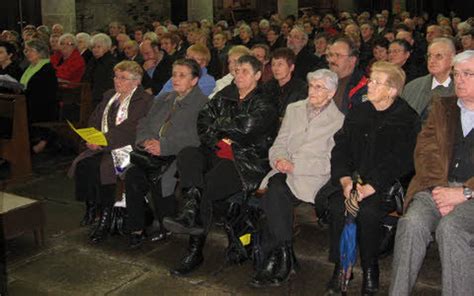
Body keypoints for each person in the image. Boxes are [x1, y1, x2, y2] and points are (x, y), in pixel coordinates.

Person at [163, 55, 279, 276]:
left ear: (257, 75)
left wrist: (220, 126)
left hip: (245, 160)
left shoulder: (266, 100)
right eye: (236, 70)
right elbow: (203, 120)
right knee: (188, 154)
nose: (238, 75)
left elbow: (247, 128)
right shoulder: (225, 95)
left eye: (244, 71)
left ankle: (194, 249)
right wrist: (219, 137)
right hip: (216, 151)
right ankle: (190, 210)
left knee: (207, 186)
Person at [326, 61, 420, 295]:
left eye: (377, 82)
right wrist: (345, 179)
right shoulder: (360, 111)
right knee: (338, 206)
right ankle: (342, 266)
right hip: (354, 181)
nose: (370, 85)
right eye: (371, 80)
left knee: (368, 212)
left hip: (385, 186)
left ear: (392, 90)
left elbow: (402, 160)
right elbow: (341, 147)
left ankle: (371, 268)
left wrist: (372, 186)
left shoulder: (406, 117)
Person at [390, 50, 474, 296]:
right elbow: (425, 151)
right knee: (411, 223)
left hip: (471, 194)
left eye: (467, 74)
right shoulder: (442, 107)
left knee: (451, 228)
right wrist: (440, 190)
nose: (459, 80)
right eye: (456, 74)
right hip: (437, 187)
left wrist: (464, 192)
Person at [251, 69, 344, 287]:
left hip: (312, 177)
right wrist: (279, 159)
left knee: (275, 191)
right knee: (275, 187)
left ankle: (278, 255)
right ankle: (285, 254)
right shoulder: (294, 109)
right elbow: (279, 142)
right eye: (311, 85)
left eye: (319, 87)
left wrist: (296, 166)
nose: (313, 90)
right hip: (283, 170)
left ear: (331, 93)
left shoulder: (339, 121)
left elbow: (331, 162)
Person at [124, 59, 208, 248]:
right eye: (174, 74)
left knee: (162, 178)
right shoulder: (164, 98)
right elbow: (144, 123)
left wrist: (165, 145)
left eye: (182, 75)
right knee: (133, 175)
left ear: (194, 81)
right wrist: (145, 141)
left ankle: (165, 223)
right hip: (151, 151)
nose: (175, 79)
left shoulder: (203, 104)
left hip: (178, 154)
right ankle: (136, 228)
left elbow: (198, 136)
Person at [70, 61, 152, 243]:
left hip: (128, 147)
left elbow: (131, 129)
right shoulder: (110, 96)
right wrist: (91, 137)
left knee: (104, 168)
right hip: (105, 144)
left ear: (136, 81)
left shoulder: (143, 101)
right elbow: (94, 119)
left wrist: (103, 141)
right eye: (116, 76)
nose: (117, 81)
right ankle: (92, 207)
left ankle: (105, 216)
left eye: (123, 78)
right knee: (84, 164)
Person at [401, 37, 456, 121]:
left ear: (453, 59)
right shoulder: (412, 87)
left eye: (438, 56)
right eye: (429, 56)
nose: (432, 61)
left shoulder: (462, 89)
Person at [20, 39, 58, 153]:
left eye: (31, 50)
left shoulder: (46, 69)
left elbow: (42, 92)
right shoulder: (30, 67)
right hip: (30, 102)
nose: (27, 53)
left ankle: (25, 145)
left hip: (43, 107)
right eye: (26, 51)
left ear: (41, 52)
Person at [326, 37, 368, 114]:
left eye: (338, 55)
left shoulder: (363, 88)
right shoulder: (323, 80)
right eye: (330, 55)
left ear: (352, 60)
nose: (331, 60)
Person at [263, 47, 307, 117]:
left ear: (291, 67)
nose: (276, 68)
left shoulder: (301, 89)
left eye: (280, 64)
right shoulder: (267, 87)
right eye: (273, 64)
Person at [82, 33, 117, 106]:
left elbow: (109, 83)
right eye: (93, 47)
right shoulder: (92, 61)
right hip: (91, 97)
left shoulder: (111, 62)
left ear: (107, 47)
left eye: (98, 47)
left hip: (104, 98)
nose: (95, 49)